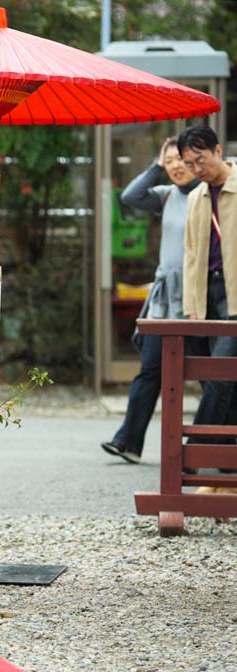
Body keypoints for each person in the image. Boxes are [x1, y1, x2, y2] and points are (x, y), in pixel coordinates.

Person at [101, 137, 199, 464]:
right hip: (165, 298)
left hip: (200, 298)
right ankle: (127, 440)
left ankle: (215, 444)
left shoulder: (208, 195)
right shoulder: (167, 194)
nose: (175, 166)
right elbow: (130, 196)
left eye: (180, 160)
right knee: (150, 368)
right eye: (169, 160)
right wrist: (156, 167)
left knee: (211, 374)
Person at [179, 126, 237, 449]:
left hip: (235, 290)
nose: (196, 169)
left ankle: (196, 449)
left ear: (218, 150)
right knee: (213, 371)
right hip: (207, 291)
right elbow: (190, 254)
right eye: (189, 164)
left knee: (220, 370)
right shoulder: (195, 198)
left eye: (200, 160)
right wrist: (192, 307)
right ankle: (228, 451)